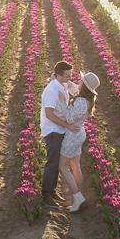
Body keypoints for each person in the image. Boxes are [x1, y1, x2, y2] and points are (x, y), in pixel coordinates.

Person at [56, 71, 99, 213]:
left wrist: (63, 102)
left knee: (62, 166)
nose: (78, 81)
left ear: (85, 86)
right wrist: (62, 80)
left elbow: (69, 118)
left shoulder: (80, 101)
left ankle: (78, 196)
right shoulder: (87, 98)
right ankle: (78, 195)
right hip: (79, 133)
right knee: (75, 165)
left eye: (81, 80)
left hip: (72, 135)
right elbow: (73, 88)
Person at [41, 60, 74, 205]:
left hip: (60, 129)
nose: (69, 79)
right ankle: (46, 194)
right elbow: (49, 114)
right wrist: (66, 125)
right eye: (67, 76)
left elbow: (76, 90)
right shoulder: (51, 91)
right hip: (53, 130)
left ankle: (53, 191)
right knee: (52, 162)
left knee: (57, 162)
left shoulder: (62, 84)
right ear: (58, 75)